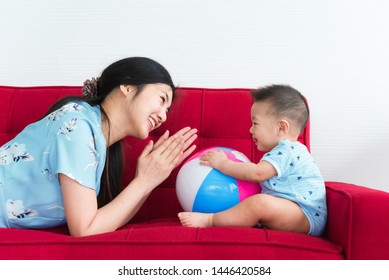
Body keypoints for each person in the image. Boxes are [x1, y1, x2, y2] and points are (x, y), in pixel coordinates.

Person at [0, 57, 197, 237]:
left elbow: (105, 222)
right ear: (127, 87)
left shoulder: (95, 136)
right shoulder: (78, 126)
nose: (163, 116)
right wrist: (144, 181)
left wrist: (149, 180)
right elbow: (85, 230)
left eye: (167, 110)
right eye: (162, 99)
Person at [178, 84, 327, 236]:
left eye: (255, 123)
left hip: (304, 214)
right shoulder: (286, 151)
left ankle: (210, 220)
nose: (250, 130)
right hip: (294, 212)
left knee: (259, 203)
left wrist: (223, 164)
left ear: (281, 128)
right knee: (260, 202)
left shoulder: (287, 150)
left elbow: (256, 174)